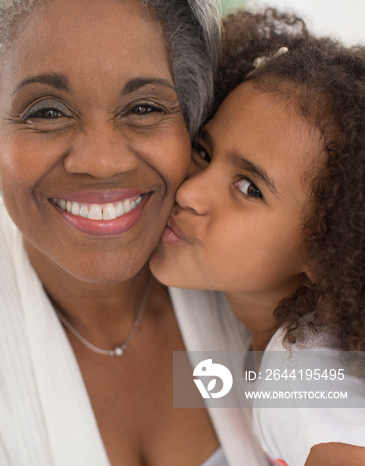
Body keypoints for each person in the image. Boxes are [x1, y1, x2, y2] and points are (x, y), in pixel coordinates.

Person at [0, 0, 268, 465]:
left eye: (143, 107)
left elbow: (329, 409)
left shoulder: (247, 263)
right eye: (47, 112)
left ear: (192, 128)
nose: (102, 161)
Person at [150, 9, 365, 466]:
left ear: (327, 248)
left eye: (249, 188)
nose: (189, 190)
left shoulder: (304, 388)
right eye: (203, 152)